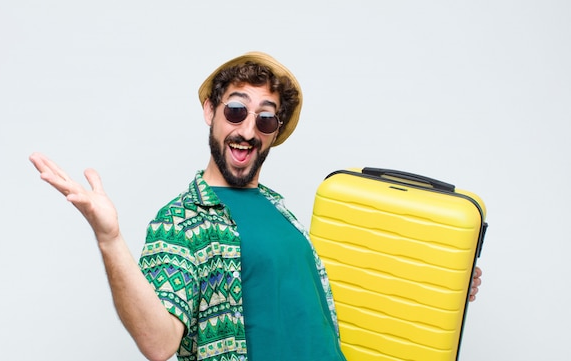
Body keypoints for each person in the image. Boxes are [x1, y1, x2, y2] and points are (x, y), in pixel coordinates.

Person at [29, 51, 482, 361]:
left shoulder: (281, 212)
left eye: (264, 117)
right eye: (236, 111)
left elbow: (322, 306)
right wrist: (109, 239)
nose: (247, 128)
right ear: (210, 110)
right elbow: (158, 341)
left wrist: (443, 282)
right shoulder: (183, 221)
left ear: (275, 129)